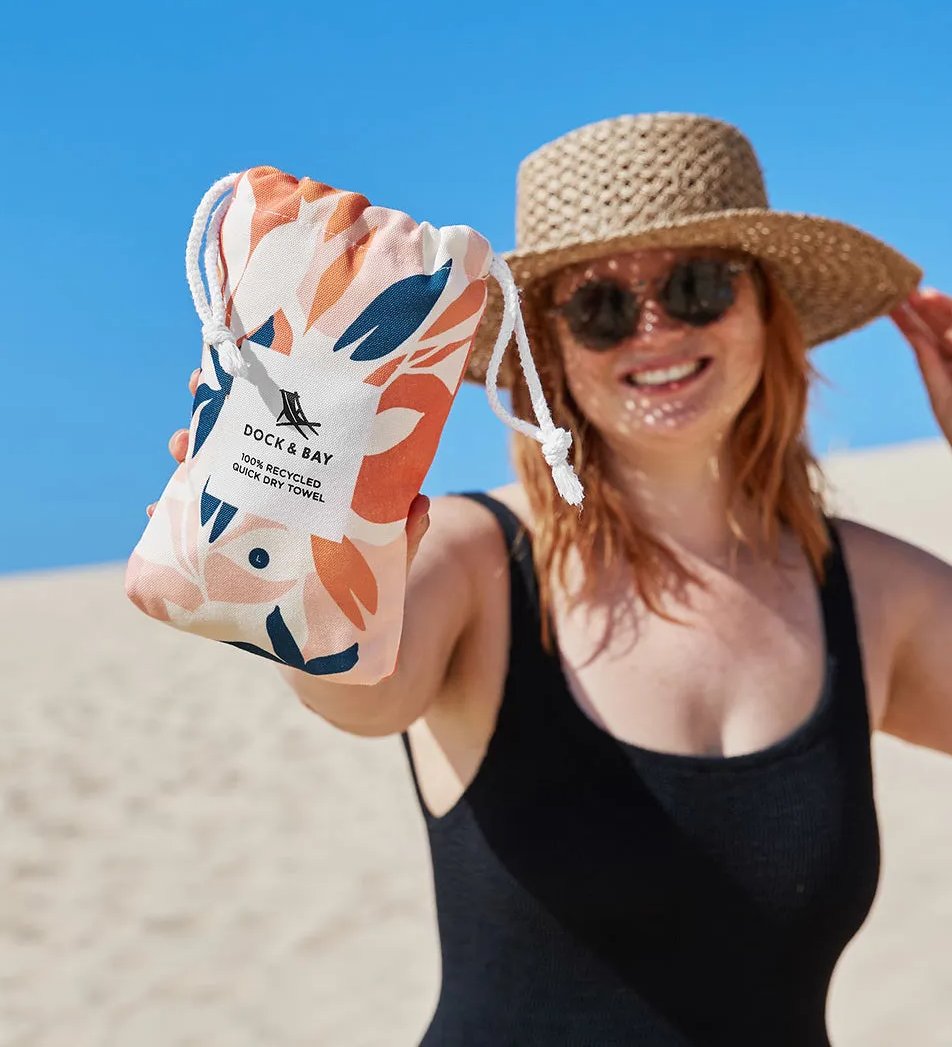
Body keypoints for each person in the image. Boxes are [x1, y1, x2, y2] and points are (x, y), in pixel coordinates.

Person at [155, 113, 952, 1045]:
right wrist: (288, 523)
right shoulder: (475, 558)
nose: (653, 331)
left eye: (697, 286)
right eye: (600, 306)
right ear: (551, 345)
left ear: (766, 307)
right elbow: (355, 692)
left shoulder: (869, 590)